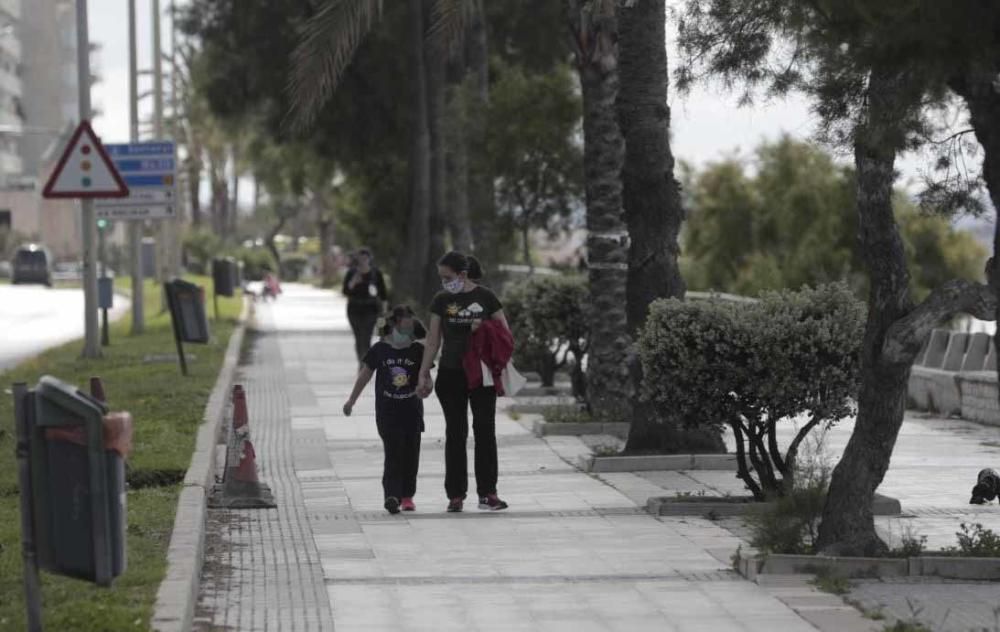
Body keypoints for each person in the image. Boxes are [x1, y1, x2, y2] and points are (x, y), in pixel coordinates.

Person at [418, 251, 511, 513]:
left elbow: (505, 333)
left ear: (462, 274)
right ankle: (456, 495)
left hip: (481, 375)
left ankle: (488, 494)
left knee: (484, 431)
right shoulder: (442, 300)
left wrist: (481, 328)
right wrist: (424, 373)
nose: (444, 282)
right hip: (450, 373)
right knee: (455, 434)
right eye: (441, 278)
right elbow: (433, 340)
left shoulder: (485, 297)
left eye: (448, 277)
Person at [343, 305, 427, 514]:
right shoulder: (379, 350)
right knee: (393, 452)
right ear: (395, 323)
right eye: (407, 319)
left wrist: (426, 387)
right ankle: (391, 495)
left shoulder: (418, 351)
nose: (411, 323)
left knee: (411, 453)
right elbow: (365, 375)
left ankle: (407, 496)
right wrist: (351, 400)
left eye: (412, 319)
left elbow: (427, 378)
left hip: (412, 411)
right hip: (387, 412)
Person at [342, 247, 388, 363]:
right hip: (354, 310)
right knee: (358, 338)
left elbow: (383, 294)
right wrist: (353, 282)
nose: (363, 261)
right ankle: (360, 361)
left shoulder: (376, 273)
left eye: (365, 258)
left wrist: (384, 313)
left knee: (366, 337)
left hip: (371, 310)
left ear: (369, 259)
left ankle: (365, 364)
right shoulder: (352, 273)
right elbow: (345, 291)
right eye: (360, 258)